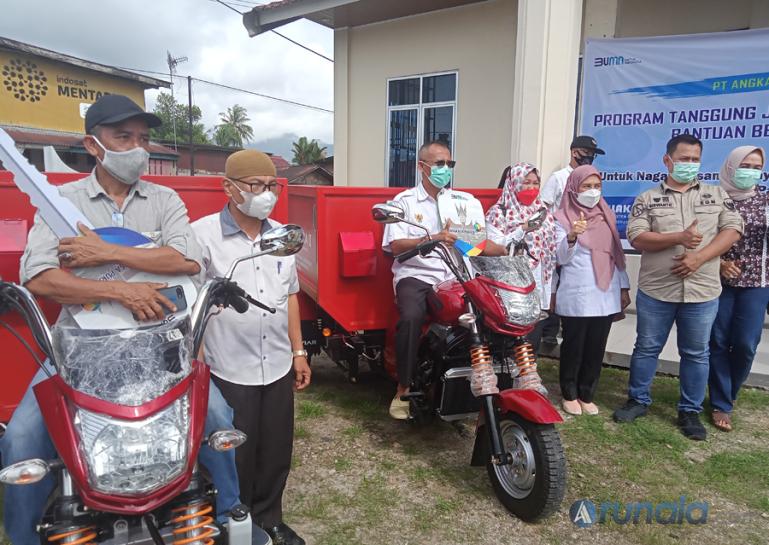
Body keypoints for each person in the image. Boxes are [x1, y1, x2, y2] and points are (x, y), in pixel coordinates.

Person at [0, 95, 241, 545]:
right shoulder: (62, 201)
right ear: (93, 145)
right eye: (123, 137)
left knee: (218, 418)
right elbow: (39, 277)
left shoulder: (164, 199)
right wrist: (121, 290)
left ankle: (230, 518)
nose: (137, 148)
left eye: (143, 138)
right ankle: (23, 537)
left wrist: (106, 252)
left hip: (159, 345)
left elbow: (187, 260)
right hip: (77, 349)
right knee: (20, 439)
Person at [192, 149, 311, 545]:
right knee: (234, 452)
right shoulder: (202, 235)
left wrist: (298, 352)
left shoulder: (282, 237)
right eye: (256, 185)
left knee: (276, 447)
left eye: (272, 185)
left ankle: (270, 517)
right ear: (228, 187)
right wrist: (199, 363)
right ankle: (236, 522)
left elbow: (290, 296)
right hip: (228, 365)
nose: (266, 194)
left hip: (276, 361)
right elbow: (192, 304)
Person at [613, 134, 743, 441]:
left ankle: (689, 411)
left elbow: (732, 230)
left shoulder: (715, 194)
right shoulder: (647, 198)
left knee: (696, 353)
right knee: (647, 348)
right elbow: (637, 237)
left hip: (702, 291)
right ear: (667, 160)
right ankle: (638, 400)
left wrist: (699, 257)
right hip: (657, 290)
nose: (690, 164)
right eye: (684, 159)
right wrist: (678, 238)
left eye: (695, 159)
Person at [383, 141, 473, 420]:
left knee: (486, 312)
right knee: (411, 317)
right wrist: (432, 238)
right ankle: (403, 388)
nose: (445, 169)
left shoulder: (460, 202)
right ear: (421, 167)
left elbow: (474, 241)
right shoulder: (404, 202)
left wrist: (493, 246)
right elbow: (396, 246)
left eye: (449, 164)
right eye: (439, 164)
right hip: (416, 274)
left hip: (454, 274)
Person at [553, 165, 630, 415]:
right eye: (586, 186)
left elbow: (616, 255)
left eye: (597, 186)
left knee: (596, 346)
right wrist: (572, 236)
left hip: (606, 291)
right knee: (574, 346)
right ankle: (569, 393)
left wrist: (624, 286)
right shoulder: (561, 217)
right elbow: (560, 258)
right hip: (578, 291)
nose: (592, 191)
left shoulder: (606, 215)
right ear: (574, 187)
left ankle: (587, 393)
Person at [483, 162, 557, 393]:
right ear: (514, 183)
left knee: (532, 336)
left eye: (535, 183)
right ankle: (506, 386)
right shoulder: (499, 213)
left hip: (538, 283)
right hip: (510, 285)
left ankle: (527, 382)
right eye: (526, 182)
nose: (531, 188)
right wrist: (522, 229)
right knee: (510, 337)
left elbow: (550, 254)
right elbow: (496, 248)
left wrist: (549, 292)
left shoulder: (544, 213)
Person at [708, 145, 767, 432]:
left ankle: (728, 391)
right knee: (717, 341)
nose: (751, 172)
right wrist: (719, 262)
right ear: (731, 167)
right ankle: (721, 403)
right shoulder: (712, 198)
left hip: (757, 282)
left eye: (757, 168)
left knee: (745, 344)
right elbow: (701, 237)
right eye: (745, 166)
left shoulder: (766, 201)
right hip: (716, 281)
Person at [540, 136, 604, 347]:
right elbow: (544, 207)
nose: (590, 157)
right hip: (561, 234)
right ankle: (549, 329)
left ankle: (556, 327)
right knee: (555, 281)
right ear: (574, 152)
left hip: (584, 237)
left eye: (592, 154)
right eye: (586, 153)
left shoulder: (592, 177)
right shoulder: (558, 178)